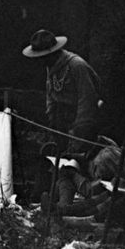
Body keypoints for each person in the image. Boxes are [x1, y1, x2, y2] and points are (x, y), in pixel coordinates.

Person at [22, 29, 101, 161]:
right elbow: (51, 94)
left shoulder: (76, 65)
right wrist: (52, 119)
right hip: (61, 122)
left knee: (79, 160)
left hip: (80, 123)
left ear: (52, 53)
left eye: (42, 57)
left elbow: (87, 100)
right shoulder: (51, 67)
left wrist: (78, 133)